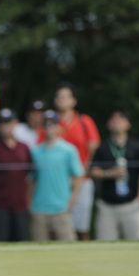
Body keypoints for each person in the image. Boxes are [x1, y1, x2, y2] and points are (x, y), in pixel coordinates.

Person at [46, 83, 100, 240]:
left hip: (82, 180)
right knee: (55, 227)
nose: (61, 99)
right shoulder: (50, 123)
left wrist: (80, 175)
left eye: (65, 96)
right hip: (56, 182)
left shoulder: (84, 121)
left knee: (81, 227)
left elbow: (93, 150)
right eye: (58, 97)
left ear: (73, 101)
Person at [90, 109, 139, 240]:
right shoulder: (102, 148)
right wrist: (108, 173)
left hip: (131, 205)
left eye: (121, 118)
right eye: (113, 118)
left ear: (128, 124)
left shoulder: (137, 147)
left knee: (138, 244)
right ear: (108, 124)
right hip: (107, 206)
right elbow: (93, 171)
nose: (116, 121)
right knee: (104, 247)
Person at [29, 110, 84, 241]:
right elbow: (32, 180)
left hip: (61, 209)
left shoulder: (69, 150)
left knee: (68, 248)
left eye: (52, 124)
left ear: (58, 126)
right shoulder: (35, 151)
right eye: (46, 125)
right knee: (37, 251)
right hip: (39, 209)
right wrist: (29, 203)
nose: (49, 128)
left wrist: (71, 202)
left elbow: (79, 176)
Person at [0, 108, 31, 242]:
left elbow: (30, 175)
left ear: (15, 123)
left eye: (8, 122)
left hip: (20, 205)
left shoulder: (24, 148)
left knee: (21, 241)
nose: (5, 126)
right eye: (2, 123)